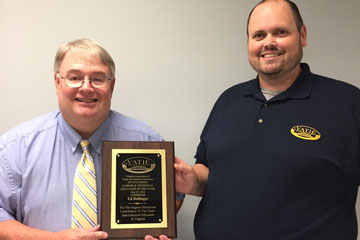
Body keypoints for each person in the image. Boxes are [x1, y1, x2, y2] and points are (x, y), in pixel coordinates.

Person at [174, 0, 360, 239]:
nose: (269, 43)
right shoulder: (229, 100)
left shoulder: (348, 103)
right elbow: (210, 169)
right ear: (249, 42)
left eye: (281, 32)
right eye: (259, 35)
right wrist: (194, 182)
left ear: (302, 35)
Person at [0, 38, 183, 240]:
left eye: (98, 79)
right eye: (75, 77)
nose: (86, 87)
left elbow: (174, 196)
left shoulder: (147, 143)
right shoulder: (15, 148)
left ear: (111, 86)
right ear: (57, 82)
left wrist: (153, 230)